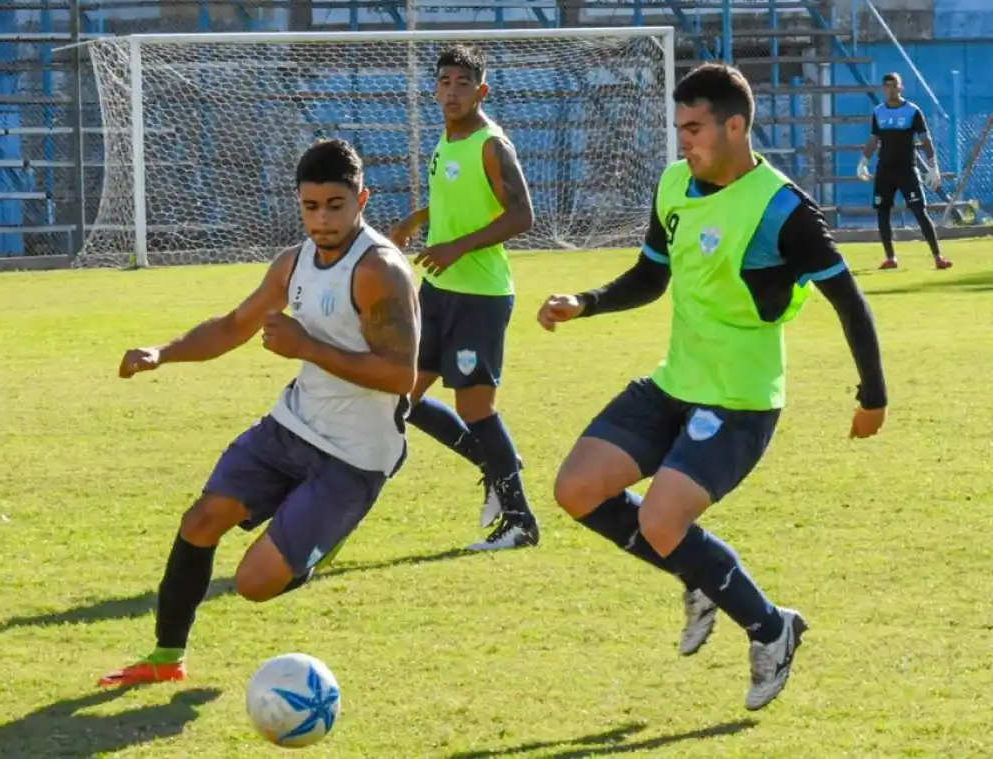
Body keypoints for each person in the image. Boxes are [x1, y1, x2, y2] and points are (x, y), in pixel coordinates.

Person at [537, 63, 888, 711]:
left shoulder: (781, 209)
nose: (684, 143)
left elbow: (850, 300)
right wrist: (583, 303)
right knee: (577, 488)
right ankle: (695, 572)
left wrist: (873, 396)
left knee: (662, 517)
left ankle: (771, 627)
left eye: (694, 128)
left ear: (735, 125)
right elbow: (650, 275)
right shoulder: (675, 184)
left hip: (741, 399)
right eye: (679, 129)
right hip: (674, 385)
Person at [97, 138, 420, 687]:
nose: (321, 219)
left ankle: (323, 538)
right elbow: (233, 326)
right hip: (291, 427)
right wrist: (163, 353)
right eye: (310, 206)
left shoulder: (379, 271)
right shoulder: (292, 264)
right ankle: (165, 657)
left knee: (254, 583)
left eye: (335, 206)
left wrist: (308, 348)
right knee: (201, 521)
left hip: (355, 454)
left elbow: (401, 376)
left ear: (362, 199)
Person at [387, 43, 539, 551]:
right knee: (401, 395)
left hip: (480, 296)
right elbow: (458, 199)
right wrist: (417, 220)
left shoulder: (492, 144)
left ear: (482, 90)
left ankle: (520, 522)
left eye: (462, 83)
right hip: (438, 291)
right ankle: (495, 465)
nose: (451, 92)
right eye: (444, 82)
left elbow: (522, 216)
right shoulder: (446, 140)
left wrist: (456, 247)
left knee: (476, 408)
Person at [857, 71, 953, 270]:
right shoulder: (879, 112)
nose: (890, 90)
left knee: (920, 212)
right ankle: (891, 258)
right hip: (885, 171)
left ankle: (937, 256)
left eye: (894, 86)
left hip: (907, 171)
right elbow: (874, 139)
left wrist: (933, 167)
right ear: (883, 89)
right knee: (882, 213)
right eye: (887, 86)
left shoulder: (912, 111)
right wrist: (863, 162)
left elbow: (926, 140)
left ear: (900, 88)